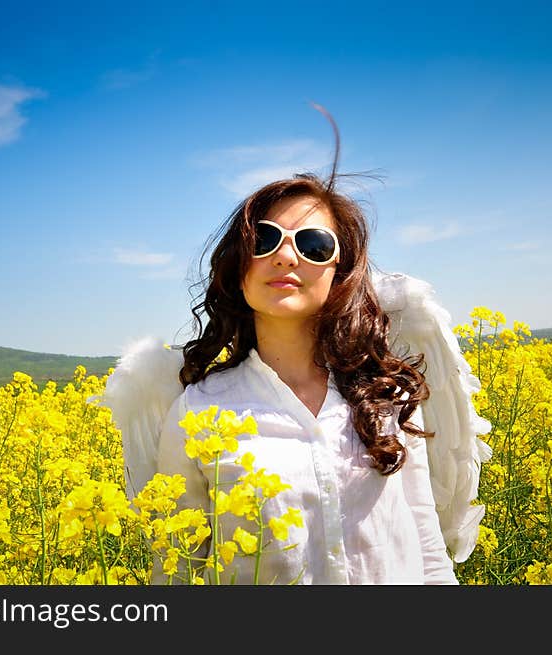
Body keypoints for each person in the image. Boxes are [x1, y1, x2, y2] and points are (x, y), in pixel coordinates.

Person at [153, 110, 463, 585]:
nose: (286, 255)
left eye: (314, 244)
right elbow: (176, 572)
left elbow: (426, 547)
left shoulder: (387, 395)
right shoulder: (198, 413)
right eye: (265, 238)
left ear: (340, 270)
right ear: (239, 265)